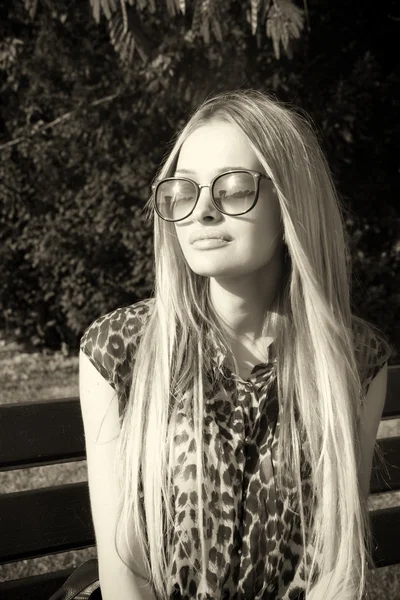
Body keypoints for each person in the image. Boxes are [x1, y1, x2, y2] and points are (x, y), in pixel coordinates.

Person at [79, 89, 392, 600]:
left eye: (232, 187)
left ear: (291, 200)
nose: (201, 211)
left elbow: (339, 568)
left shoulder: (352, 362)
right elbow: (125, 573)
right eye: (184, 190)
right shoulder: (120, 351)